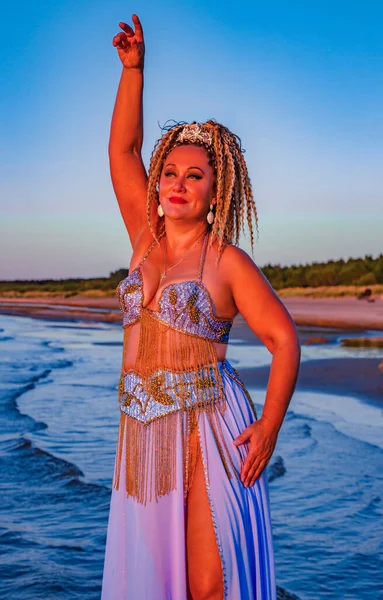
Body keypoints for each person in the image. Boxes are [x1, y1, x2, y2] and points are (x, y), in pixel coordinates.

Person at [101, 14, 301, 600]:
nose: (177, 183)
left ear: (217, 191)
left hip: (209, 430)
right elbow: (123, 148)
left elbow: (285, 342)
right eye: (169, 173)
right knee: (153, 584)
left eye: (195, 175)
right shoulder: (145, 241)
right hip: (142, 433)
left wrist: (268, 427)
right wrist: (134, 71)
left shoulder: (228, 262)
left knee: (211, 584)